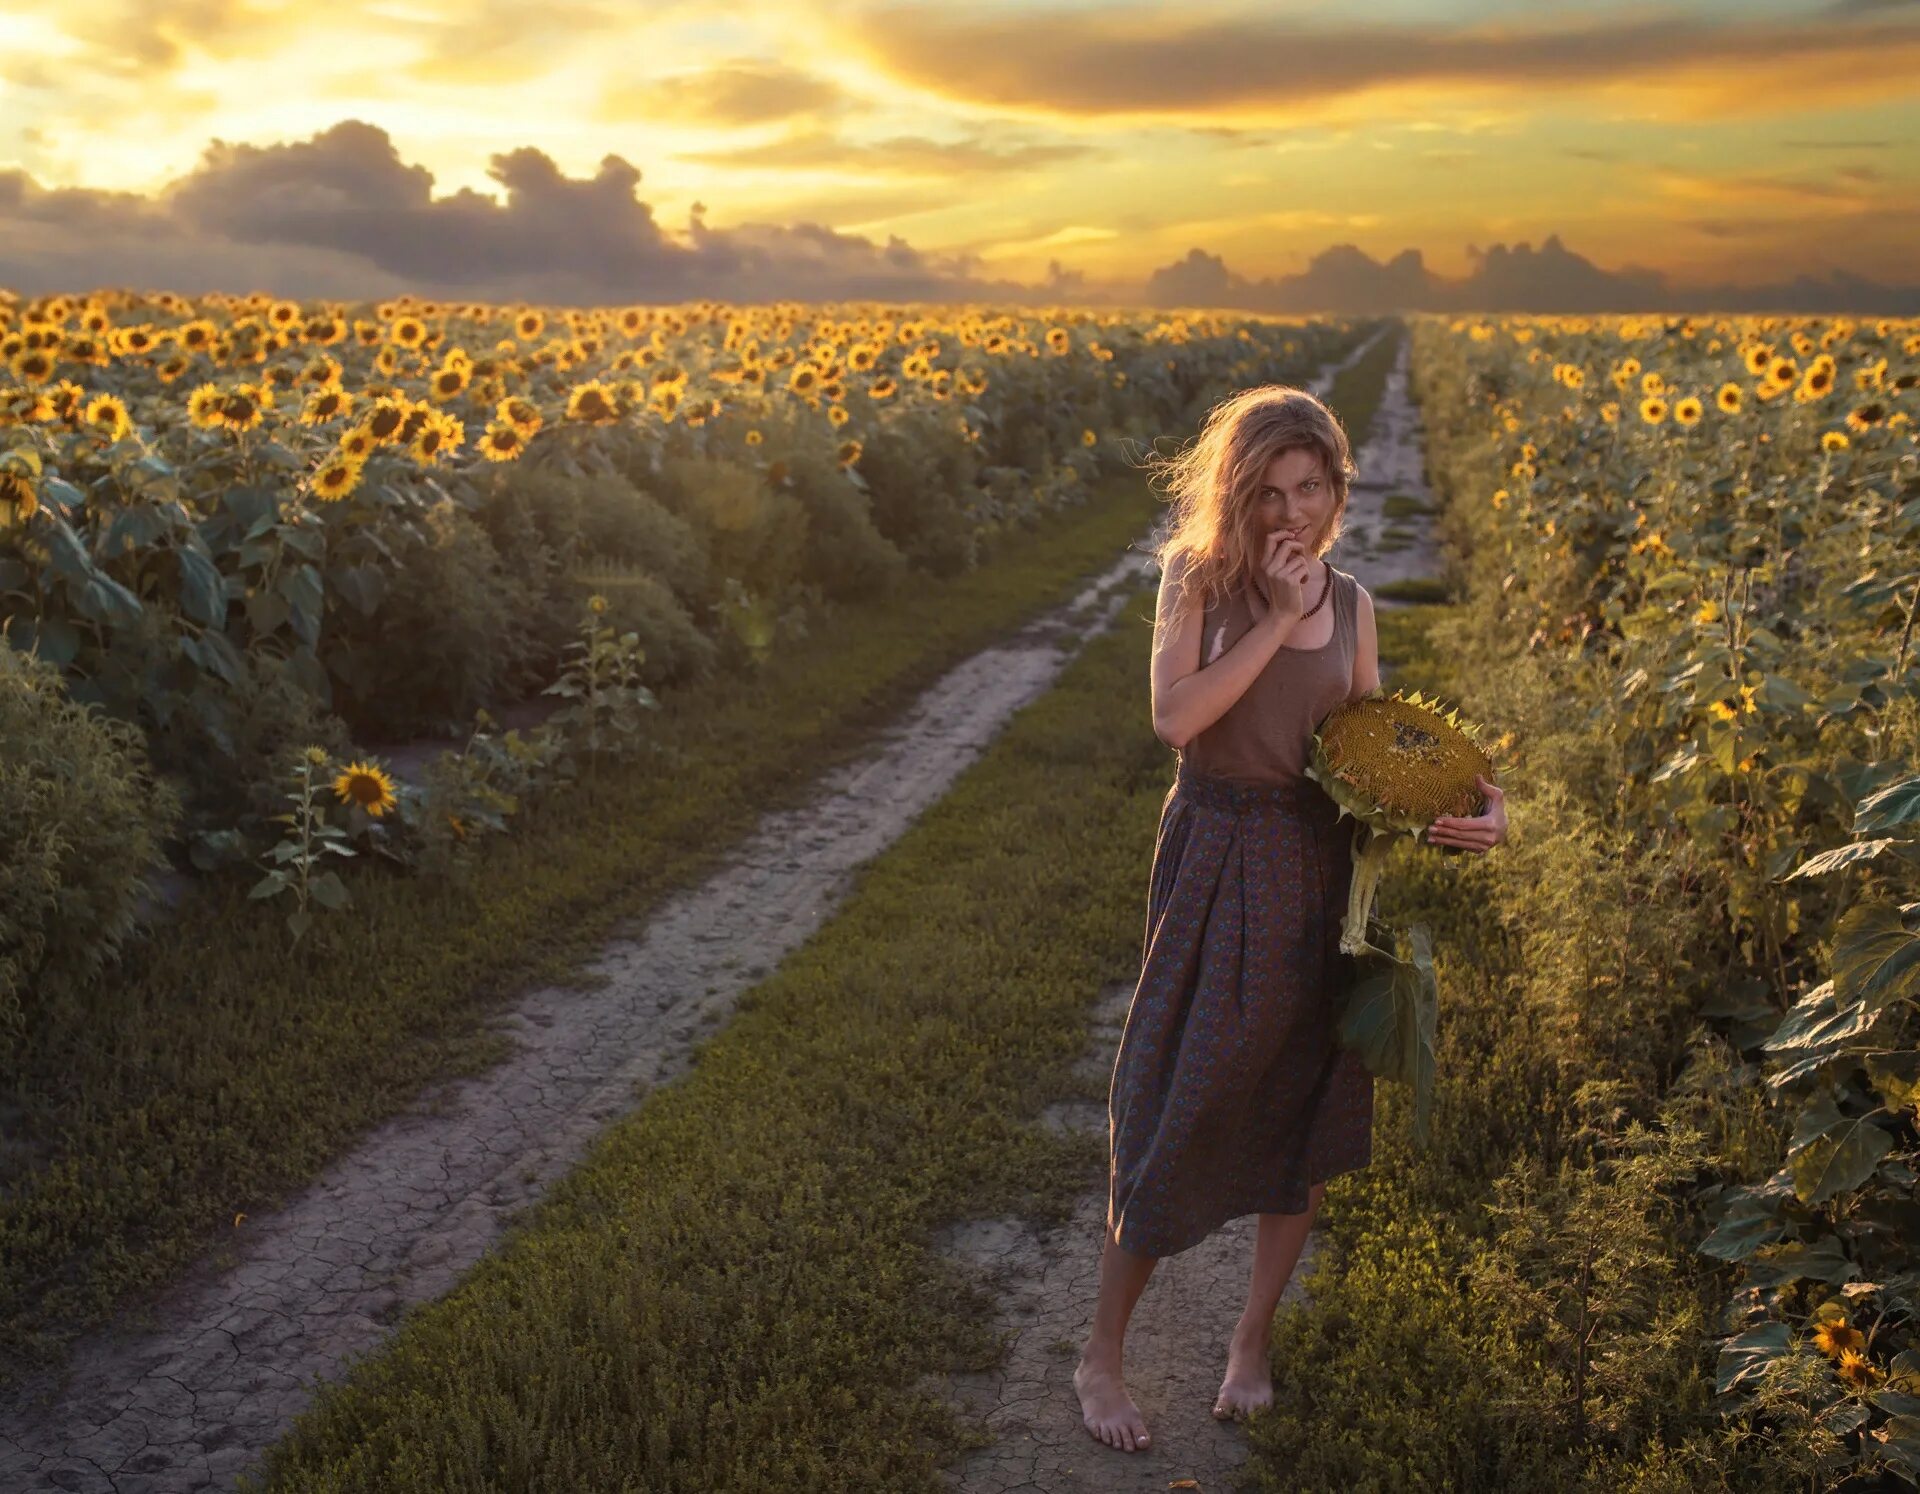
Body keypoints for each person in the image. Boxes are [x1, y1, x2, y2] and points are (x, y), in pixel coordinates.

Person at [1073, 382, 1508, 1454]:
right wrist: (1272, 622)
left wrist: (1474, 809)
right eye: (1268, 491)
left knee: (1303, 1112)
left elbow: (1369, 763)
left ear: (1335, 491)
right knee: (1177, 1097)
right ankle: (1101, 1356)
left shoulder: (1355, 607)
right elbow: (1178, 720)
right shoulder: (1196, 582)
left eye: (1310, 488)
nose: (1290, 515)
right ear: (1235, 491)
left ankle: (1250, 1344)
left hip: (1320, 869)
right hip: (1219, 855)